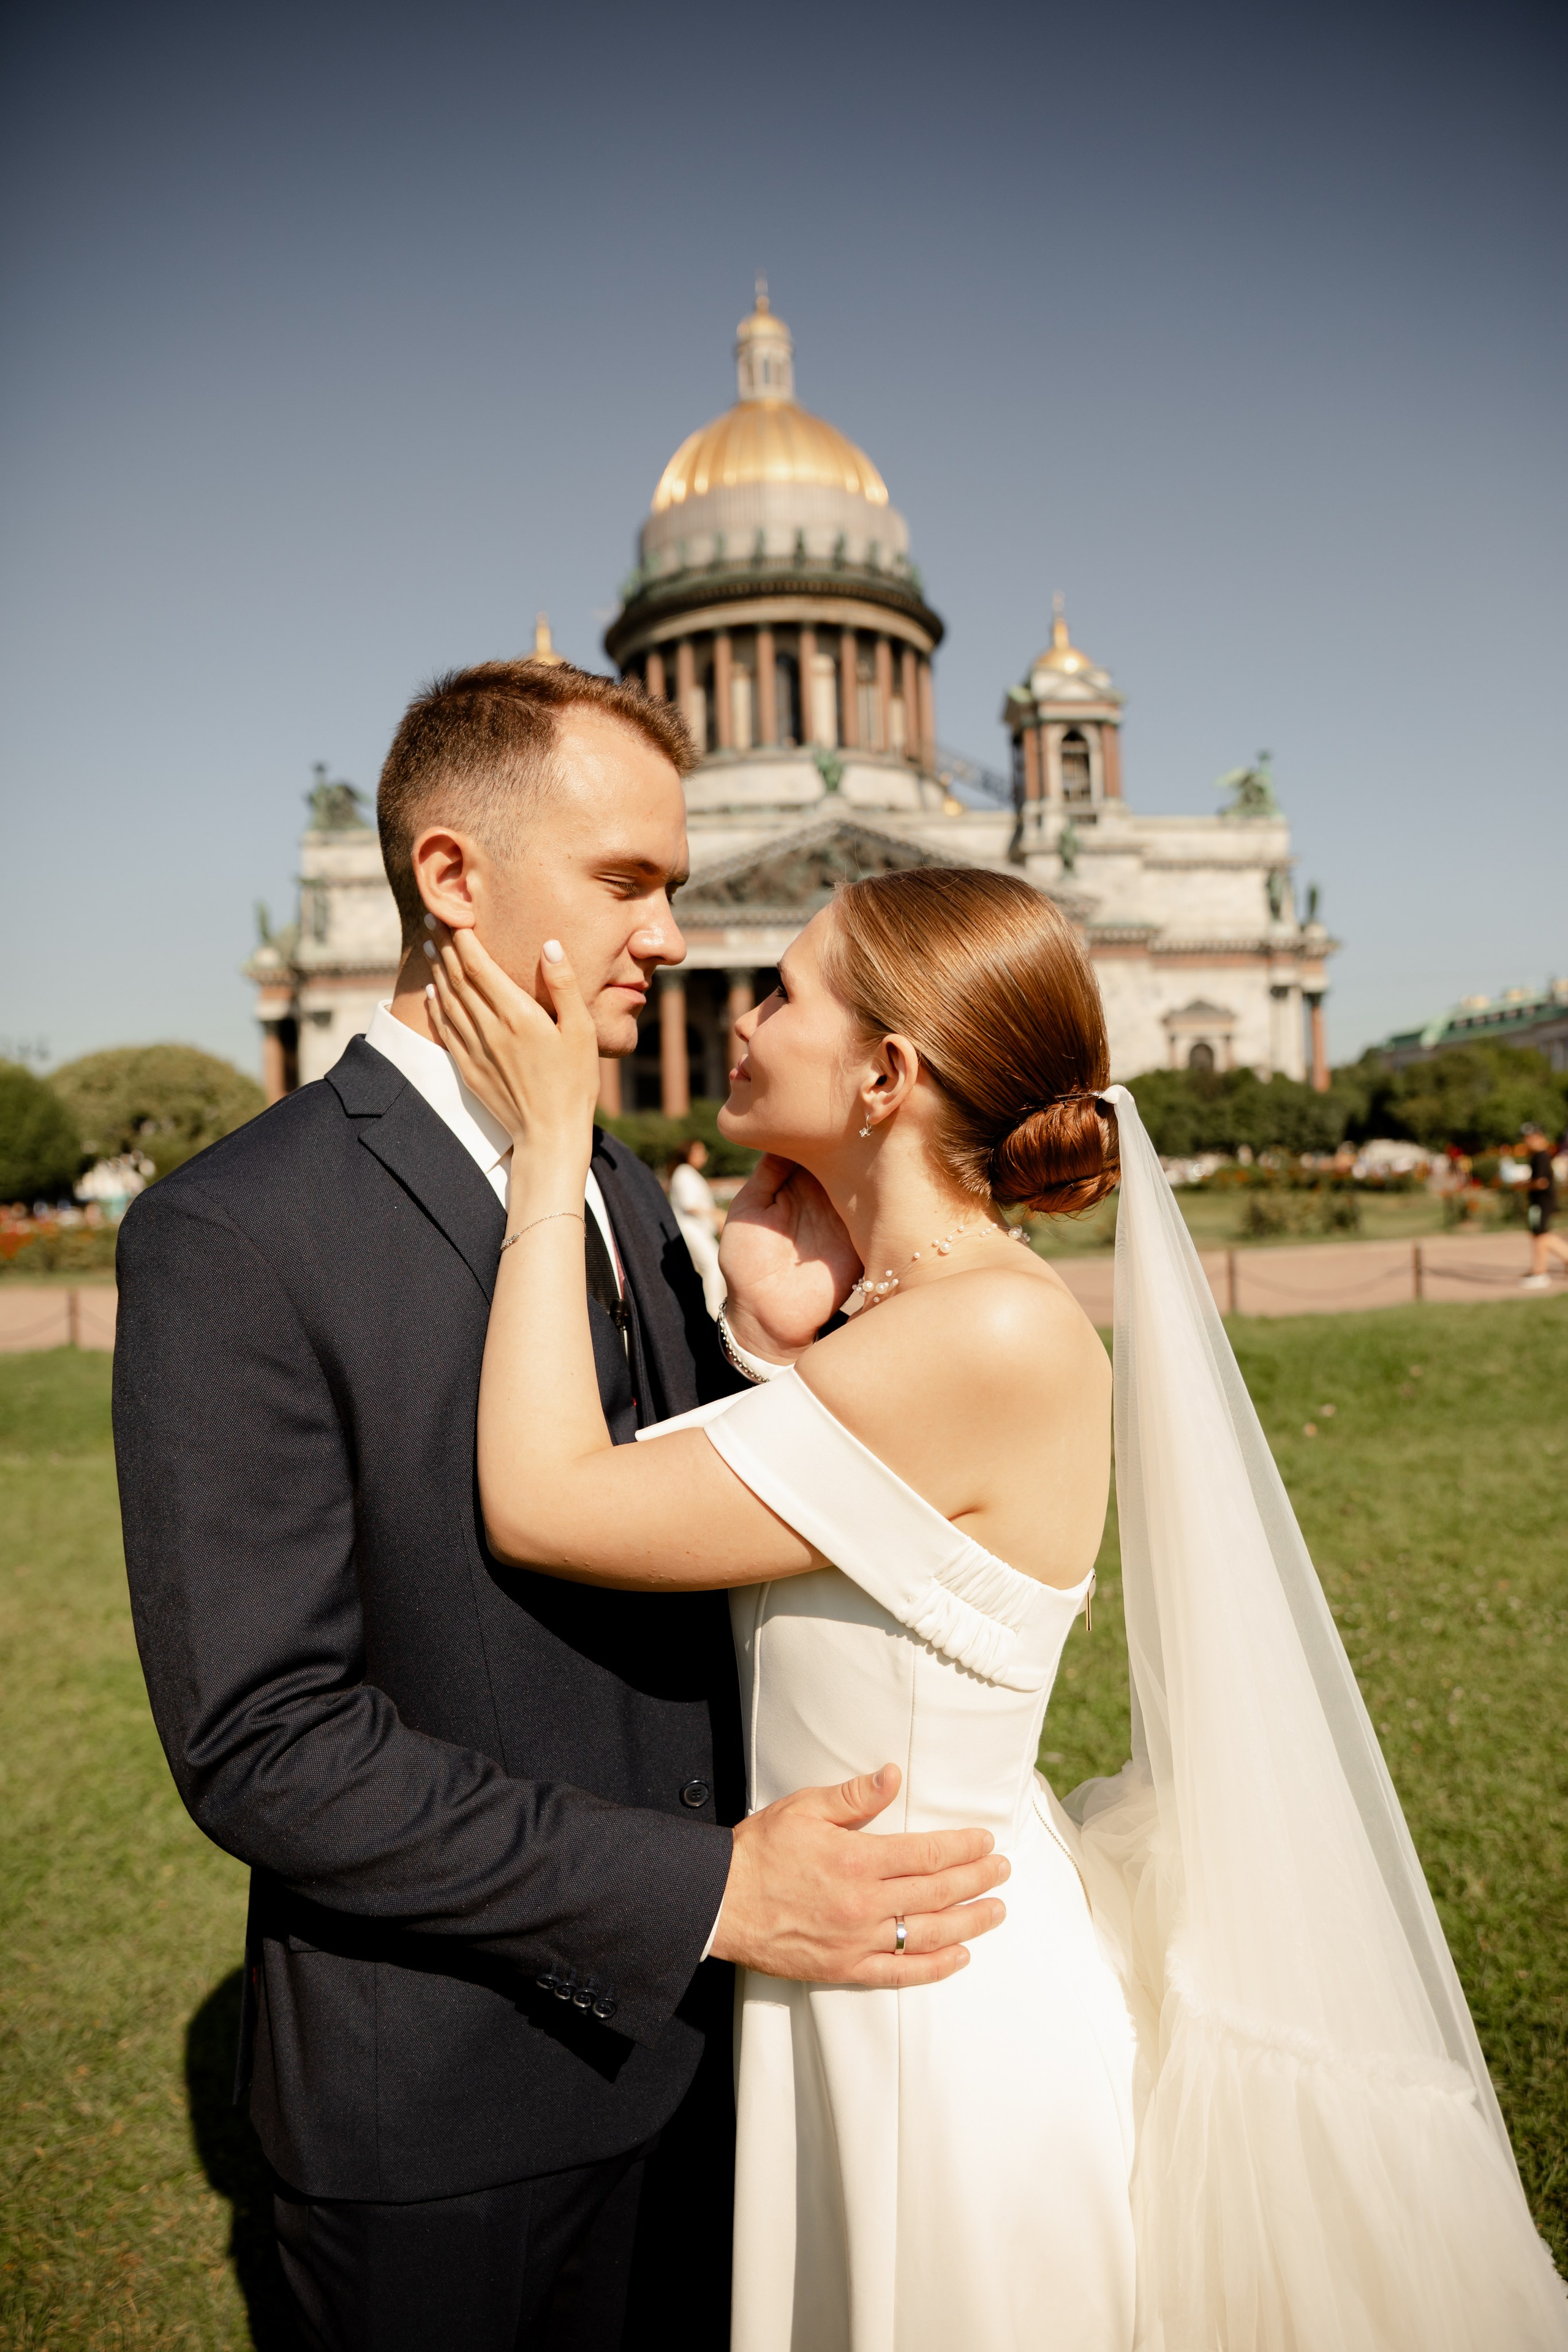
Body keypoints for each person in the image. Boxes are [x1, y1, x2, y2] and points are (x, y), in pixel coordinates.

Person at [426, 864, 1568, 2351]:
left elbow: (546, 1501)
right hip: (879, 1955)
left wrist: (547, 1143)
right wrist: (771, 1341)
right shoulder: (929, 1319)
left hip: (928, 2009)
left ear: (886, 1073)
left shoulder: (986, 1330)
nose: (737, 1011)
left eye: (777, 990)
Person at [113, 663, 1006, 2352]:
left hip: (704, 2063)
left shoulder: (604, 1182)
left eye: (673, 888)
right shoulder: (235, 1232)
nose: (669, 937)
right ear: (454, 879)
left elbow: (663, 1547)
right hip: (443, 2117)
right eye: (627, 883)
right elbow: (268, 1741)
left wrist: (765, 1346)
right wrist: (706, 1894)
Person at [667, 1135, 725, 1316]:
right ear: (687, 1154)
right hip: (690, 1229)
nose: (704, 1155)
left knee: (700, 1270)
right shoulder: (684, 1173)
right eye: (699, 1151)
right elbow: (690, 1205)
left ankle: (707, 1310)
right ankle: (713, 1311)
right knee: (713, 1265)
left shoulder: (688, 1173)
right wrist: (717, 1215)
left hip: (698, 1230)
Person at [1519, 1120, 1568, 1289]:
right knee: (1540, 1236)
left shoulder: (1541, 1155)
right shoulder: (1538, 1155)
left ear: (1537, 1136)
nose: (1526, 1141)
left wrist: (1522, 1185)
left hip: (1542, 1202)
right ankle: (1538, 1270)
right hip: (1539, 1202)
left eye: (1529, 1137)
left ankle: (1540, 1273)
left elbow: (1541, 1182)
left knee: (1541, 1237)